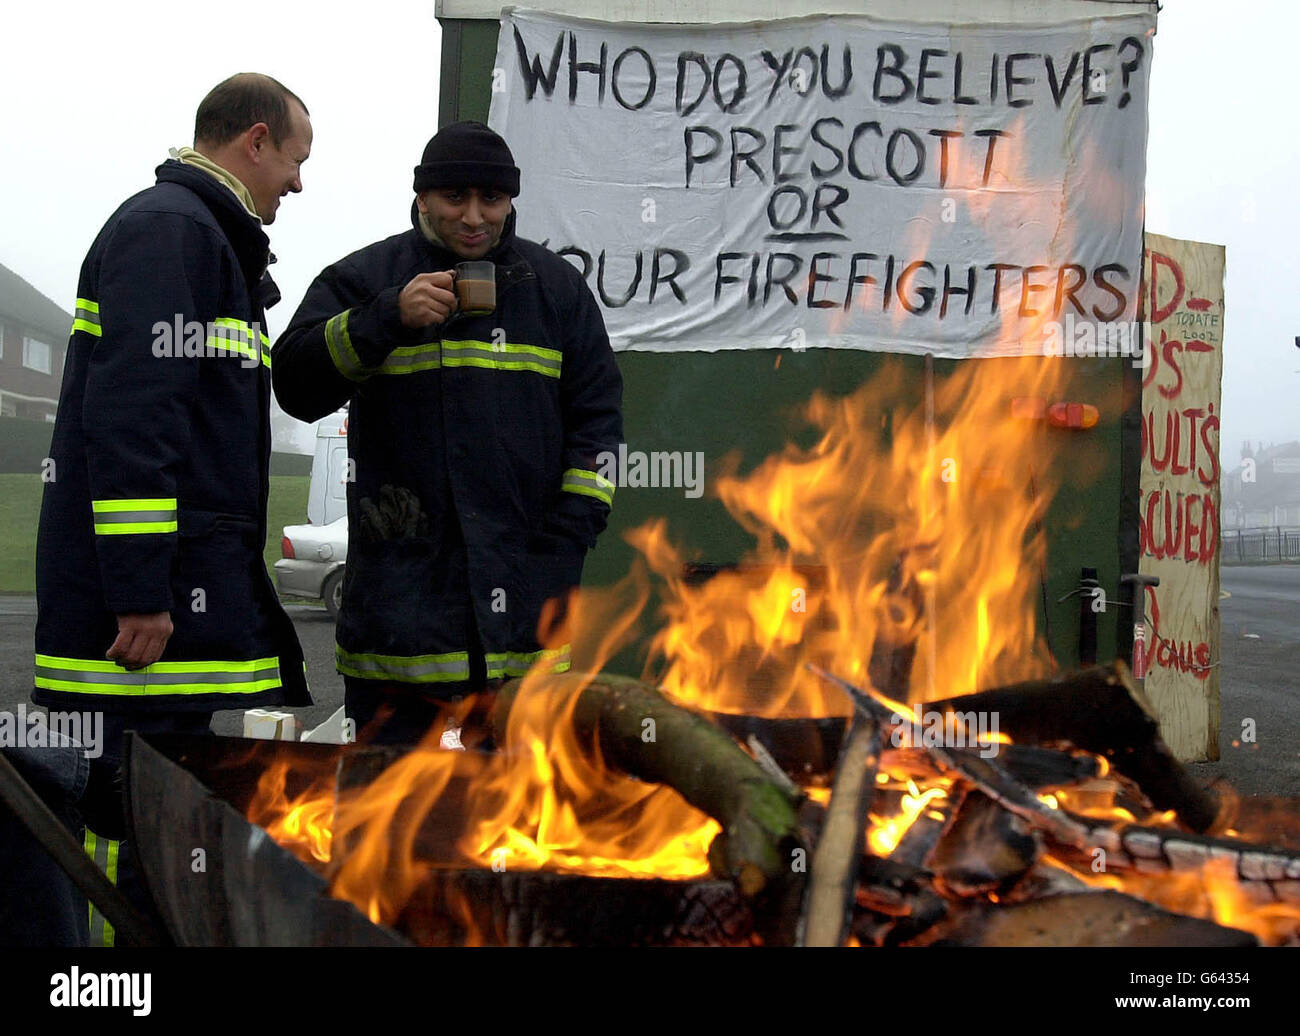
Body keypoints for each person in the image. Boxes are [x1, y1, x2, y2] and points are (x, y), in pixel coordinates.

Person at [31, 73, 315, 944]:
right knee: (129, 818)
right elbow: (133, 423)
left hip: (168, 606)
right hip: (146, 620)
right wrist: (142, 591)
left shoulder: (197, 236)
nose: (298, 186)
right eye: (296, 162)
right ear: (255, 141)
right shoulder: (171, 233)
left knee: (150, 817)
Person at [273, 121, 622, 747]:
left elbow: (598, 420)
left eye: (490, 199)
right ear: (422, 198)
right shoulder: (364, 278)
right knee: (390, 815)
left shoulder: (558, 290)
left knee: (522, 816)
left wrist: (568, 537)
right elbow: (295, 387)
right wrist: (385, 319)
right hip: (399, 623)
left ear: (511, 201)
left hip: (526, 616)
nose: (473, 216)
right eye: (454, 198)